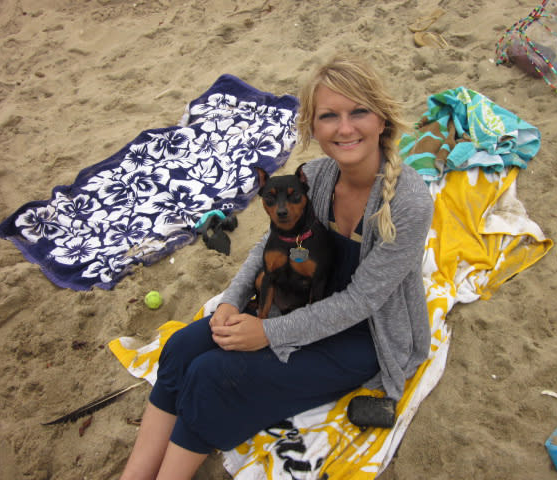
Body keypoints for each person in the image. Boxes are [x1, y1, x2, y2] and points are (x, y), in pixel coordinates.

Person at [120, 53, 434, 480]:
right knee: (182, 349)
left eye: (358, 111)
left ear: (382, 120)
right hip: (299, 297)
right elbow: (266, 248)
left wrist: (267, 333)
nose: (344, 127)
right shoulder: (320, 175)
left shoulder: (408, 203)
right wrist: (232, 301)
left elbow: (361, 301)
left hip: (363, 335)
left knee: (214, 376)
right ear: (313, 127)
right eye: (329, 116)